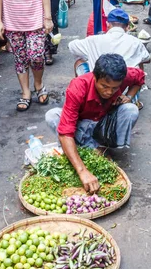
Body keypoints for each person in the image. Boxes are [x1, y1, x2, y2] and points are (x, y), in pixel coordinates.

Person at [45, 53, 142, 192]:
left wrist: (129, 96)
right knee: (52, 116)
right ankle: (92, 148)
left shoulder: (124, 75)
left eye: (115, 88)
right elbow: (66, 132)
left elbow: (140, 77)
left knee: (131, 110)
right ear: (95, 77)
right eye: (104, 86)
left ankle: (105, 145)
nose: (109, 92)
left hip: (103, 122)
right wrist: (82, 171)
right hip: (82, 124)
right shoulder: (78, 86)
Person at [69, 7, 150, 75]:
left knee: (79, 61)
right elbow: (147, 59)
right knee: (140, 61)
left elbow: (71, 46)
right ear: (127, 27)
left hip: (99, 85)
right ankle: (135, 90)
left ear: (108, 24)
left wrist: (91, 53)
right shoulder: (135, 42)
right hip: (124, 86)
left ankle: (85, 92)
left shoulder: (93, 40)